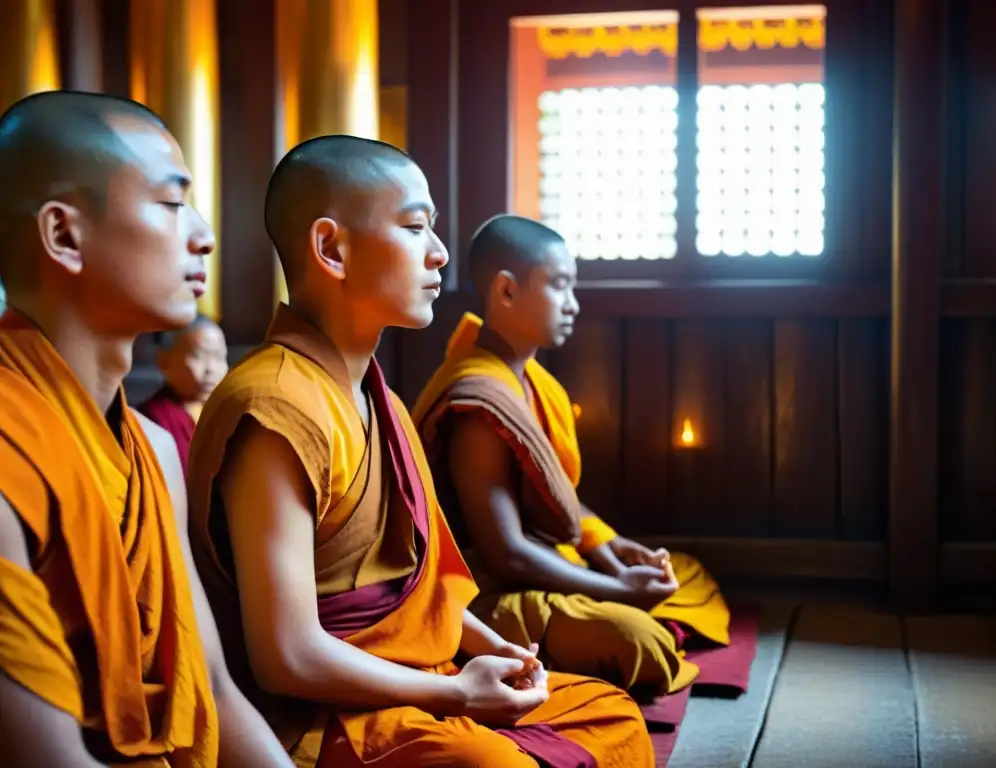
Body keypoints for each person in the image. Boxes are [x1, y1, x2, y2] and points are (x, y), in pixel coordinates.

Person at [186, 135, 654, 767]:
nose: (438, 256)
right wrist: (455, 693)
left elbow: (426, 589)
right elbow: (286, 658)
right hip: (322, 715)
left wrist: (499, 653)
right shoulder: (272, 408)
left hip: (416, 678)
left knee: (610, 713)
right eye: (414, 228)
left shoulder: (385, 405)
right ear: (331, 249)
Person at [0, 91, 293, 767]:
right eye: (170, 203)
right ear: (64, 236)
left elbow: (213, 689)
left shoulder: (155, 453)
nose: (205, 236)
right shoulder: (11, 452)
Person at [411, 214, 732, 698]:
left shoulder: (533, 381)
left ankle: (627, 608)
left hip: (547, 563)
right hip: (486, 592)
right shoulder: (478, 399)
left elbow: (553, 498)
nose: (573, 305)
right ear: (507, 292)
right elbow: (505, 551)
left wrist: (615, 551)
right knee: (637, 641)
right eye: (560, 286)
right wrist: (618, 589)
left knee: (687, 571)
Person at [139, 314, 229, 472]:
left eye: (219, 357)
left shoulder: (227, 412)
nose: (211, 369)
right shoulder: (153, 419)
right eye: (198, 356)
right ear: (164, 361)